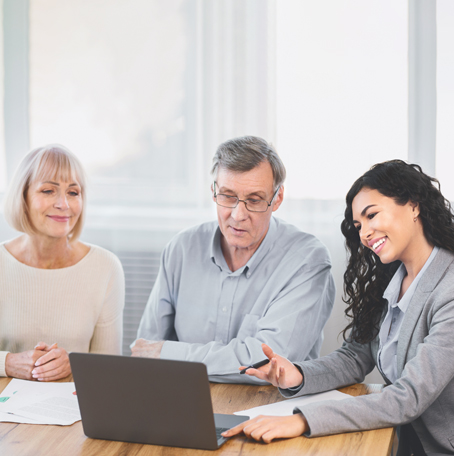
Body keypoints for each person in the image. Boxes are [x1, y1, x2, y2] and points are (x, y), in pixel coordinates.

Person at [224, 159, 454, 455]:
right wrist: (297, 374)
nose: (365, 233)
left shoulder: (449, 291)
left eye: (372, 216)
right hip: (399, 441)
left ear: (414, 205)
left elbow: (407, 398)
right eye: (359, 225)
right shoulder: (392, 279)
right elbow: (355, 358)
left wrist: (303, 420)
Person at [131, 136, 335, 383]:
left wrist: (168, 354)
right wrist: (159, 355)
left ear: (277, 198)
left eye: (254, 200)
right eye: (228, 196)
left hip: (269, 411)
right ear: (214, 191)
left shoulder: (307, 261)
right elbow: (145, 352)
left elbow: (270, 364)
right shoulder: (182, 249)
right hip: (182, 402)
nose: (238, 215)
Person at [0, 144, 125, 382]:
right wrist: (9, 362)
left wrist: (76, 363)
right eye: (48, 191)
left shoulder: (106, 267)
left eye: (73, 192)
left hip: (73, 409)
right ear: (22, 197)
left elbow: (109, 366)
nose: (64, 204)